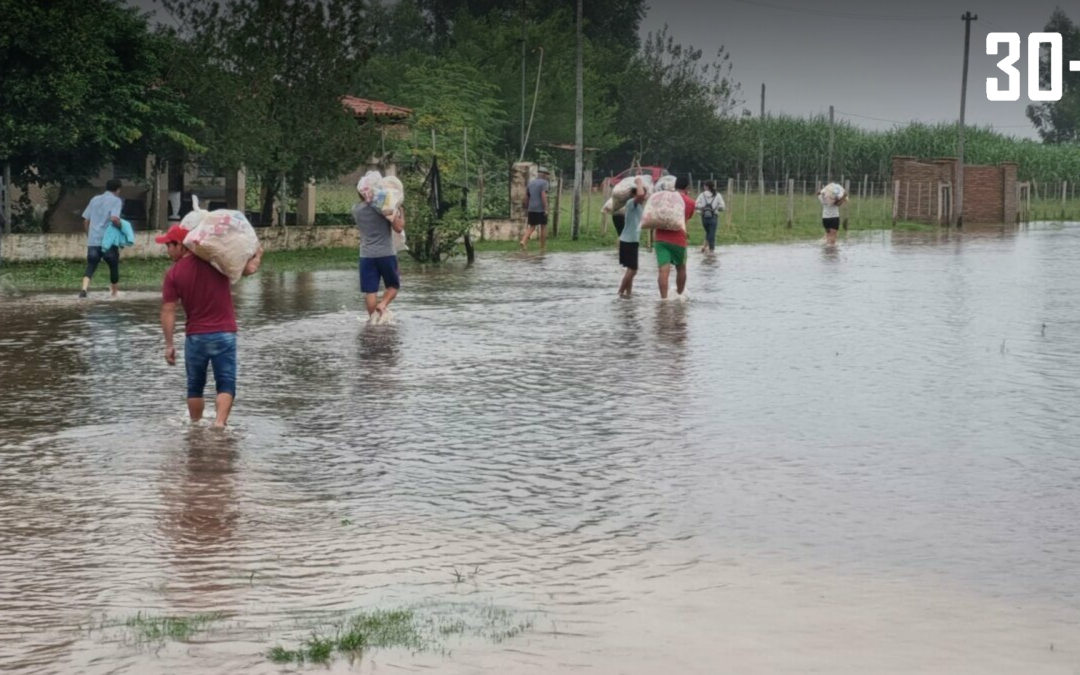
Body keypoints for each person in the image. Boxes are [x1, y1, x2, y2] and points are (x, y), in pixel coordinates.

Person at [158, 224, 263, 428]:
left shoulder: (173, 274)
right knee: (226, 381)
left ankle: (196, 427)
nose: (167, 250)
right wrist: (257, 254)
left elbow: (168, 310)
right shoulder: (217, 262)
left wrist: (169, 344)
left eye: (168, 245)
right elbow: (249, 269)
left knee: (195, 386)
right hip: (225, 333)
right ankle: (219, 423)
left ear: (180, 245)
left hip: (195, 337)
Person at [353, 186, 405, 323]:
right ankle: (382, 305)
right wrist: (399, 210)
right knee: (394, 285)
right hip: (386, 253)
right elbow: (399, 228)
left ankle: (373, 322)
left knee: (370, 291)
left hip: (366, 255)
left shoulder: (356, 209)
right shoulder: (384, 209)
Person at [79, 178, 124, 298]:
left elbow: (86, 221)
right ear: (118, 190)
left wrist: (90, 237)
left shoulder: (94, 200)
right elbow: (114, 219)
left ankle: (84, 289)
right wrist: (122, 230)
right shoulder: (116, 201)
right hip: (108, 241)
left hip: (93, 241)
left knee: (91, 265)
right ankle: (114, 294)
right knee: (113, 266)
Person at [655, 175, 695, 300]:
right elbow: (687, 218)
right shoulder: (690, 202)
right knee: (681, 268)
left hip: (661, 239)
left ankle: (664, 300)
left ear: (674, 185)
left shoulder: (664, 198)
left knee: (663, 270)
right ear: (687, 187)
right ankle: (679, 296)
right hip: (678, 240)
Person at [617, 178, 647, 298]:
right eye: (641, 194)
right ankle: (620, 293)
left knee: (630, 270)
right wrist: (639, 182)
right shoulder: (631, 203)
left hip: (630, 240)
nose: (643, 196)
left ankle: (628, 294)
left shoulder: (638, 206)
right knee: (633, 270)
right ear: (634, 194)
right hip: (629, 241)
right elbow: (640, 194)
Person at [520, 167, 550, 250]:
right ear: (544, 175)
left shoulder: (531, 183)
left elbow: (526, 197)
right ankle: (542, 247)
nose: (547, 177)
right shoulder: (544, 183)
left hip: (531, 208)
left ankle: (523, 240)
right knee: (543, 227)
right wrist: (546, 208)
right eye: (547, 175)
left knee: (532, 227)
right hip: (540, 209)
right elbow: (543, 195)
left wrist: (527, 207)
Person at [695, 181, 725, 255]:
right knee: (712, 234)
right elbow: (723, 207)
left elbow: (695, 205)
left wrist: (702, 209)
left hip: (704, 217)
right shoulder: (717, 195)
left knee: (708, 232)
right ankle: (711, 251)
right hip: (713, 217)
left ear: (707, 187)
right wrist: (716, 209)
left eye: (704, 186)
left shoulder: (702, 195)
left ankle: (704, 248)